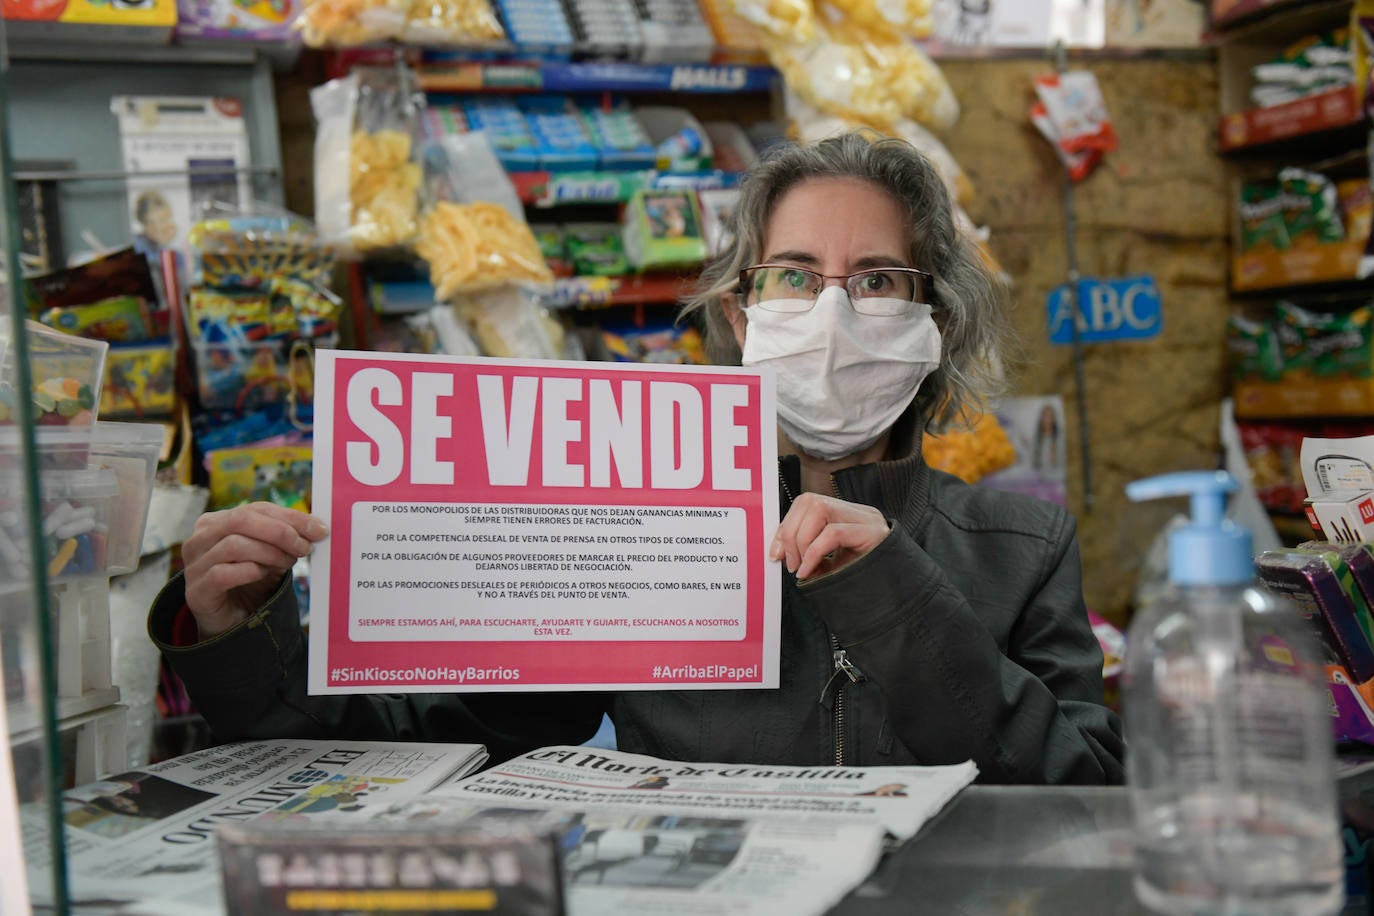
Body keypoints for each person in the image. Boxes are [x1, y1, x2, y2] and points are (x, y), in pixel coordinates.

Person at [148, 132, 1124, 785]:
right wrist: (239, 637)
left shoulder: (1020, 543)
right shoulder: (649, 526)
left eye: (875, 278)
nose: (831, 311)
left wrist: (896, 594)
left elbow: (1081, 789)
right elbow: (406, 749)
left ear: (933, 322)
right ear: (742, 313)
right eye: (795, 275)